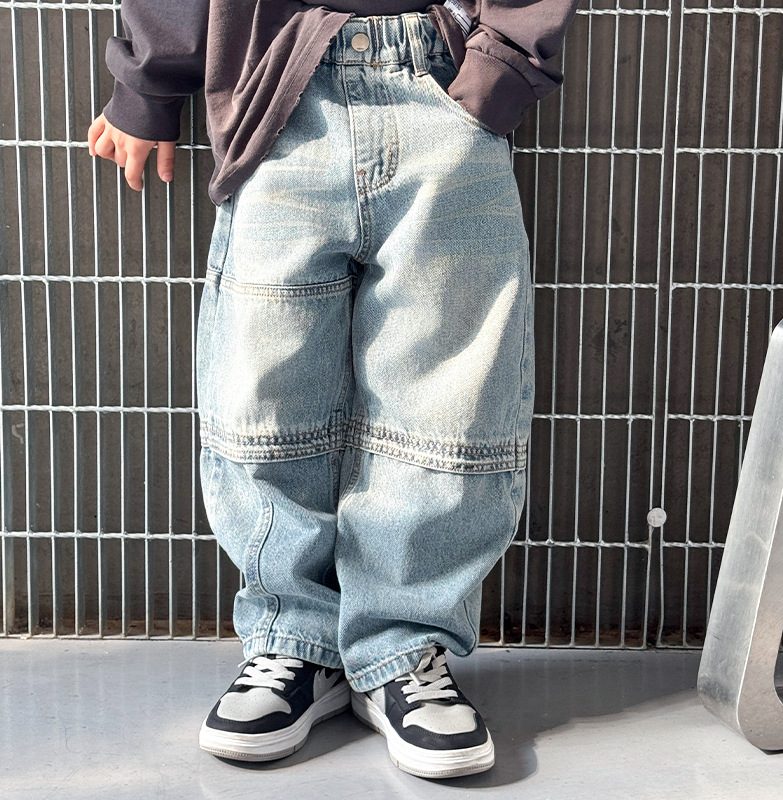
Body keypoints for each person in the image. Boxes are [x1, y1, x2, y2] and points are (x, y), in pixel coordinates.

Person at [88, 0, 577, 779]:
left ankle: (404, 647)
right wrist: (150, 80)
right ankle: (293, 641)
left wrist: (501, 67)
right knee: (264, 391)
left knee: (449, 403)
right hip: (273, 86)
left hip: (444, 70)